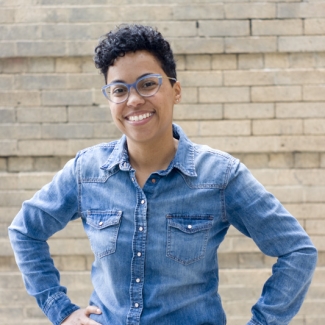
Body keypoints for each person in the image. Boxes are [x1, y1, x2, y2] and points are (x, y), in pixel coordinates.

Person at [9, 24, 317, 325]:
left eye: (147, 84)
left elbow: (297, 251)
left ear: (175, 91)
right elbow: (25, 231)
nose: (133, 100)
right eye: (119, 90)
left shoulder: (220, 176)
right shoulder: (86, 171)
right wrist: (61, 310)